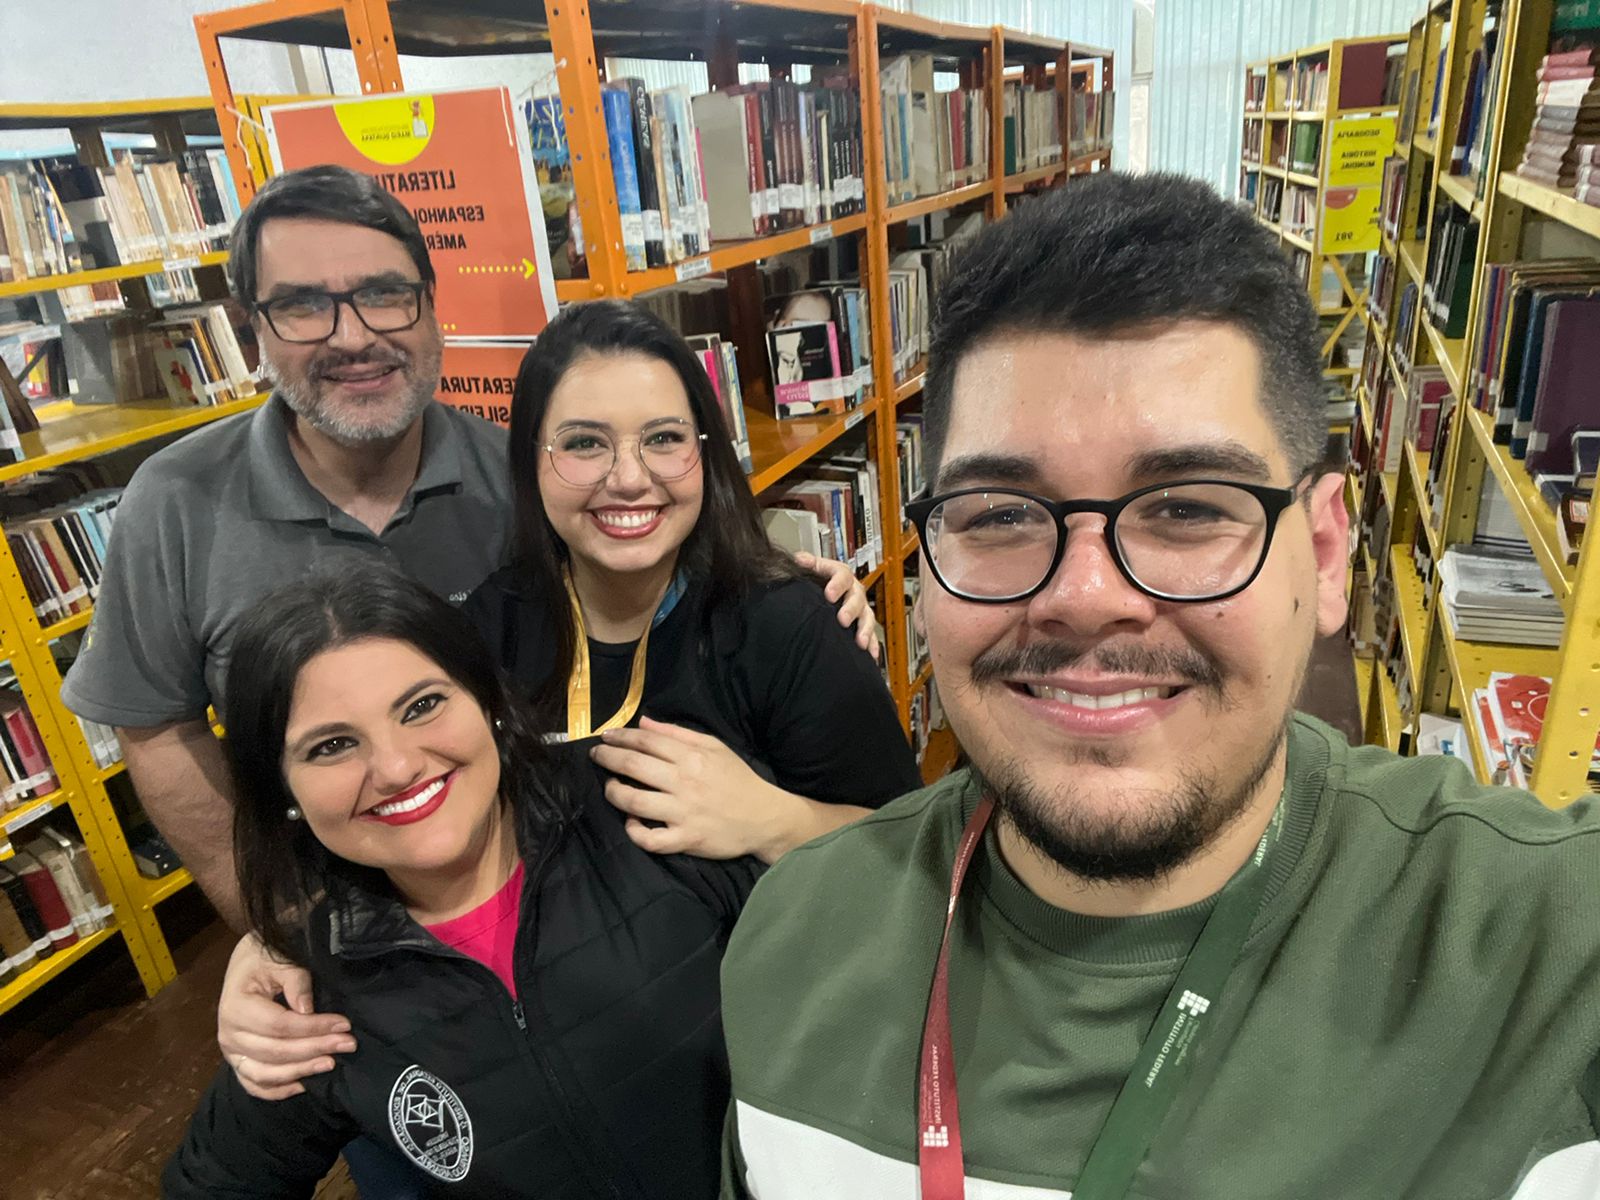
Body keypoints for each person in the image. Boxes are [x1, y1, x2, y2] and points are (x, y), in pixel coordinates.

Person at [717, 172, 1600, 1200]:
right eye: (1000, 514)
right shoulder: (789, 946)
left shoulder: (1545, 960)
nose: (1086, 598)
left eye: (1186, 508)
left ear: (1324, 557)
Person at [59, 164, 875, 932]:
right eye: (303, 305)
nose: (353, 336)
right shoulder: (172, 503)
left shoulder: (525, 480)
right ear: (252, 329)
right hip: (342, 920)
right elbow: (156, 728)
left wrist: (798, 589)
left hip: (550, 912)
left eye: (384, 295)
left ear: (429, 305)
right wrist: (281, 930)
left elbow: (651, 556)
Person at [212, 298, 922, 1103]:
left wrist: (773, 821)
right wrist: (272, 947)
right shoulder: (485, 631)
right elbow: (405, 815)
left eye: (664, 438)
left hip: (792, 1043)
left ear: (705, 452)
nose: (630, 477)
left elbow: (914, 857)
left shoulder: (788, 623)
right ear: (532, 463)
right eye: (585, 443)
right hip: (590, 1044)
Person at [164, 567, 762, 1198]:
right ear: (284, 791)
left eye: (422, 706)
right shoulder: (313, 988)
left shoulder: (648, 799)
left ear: (488, 702)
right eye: (332, 745)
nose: (396, 767)